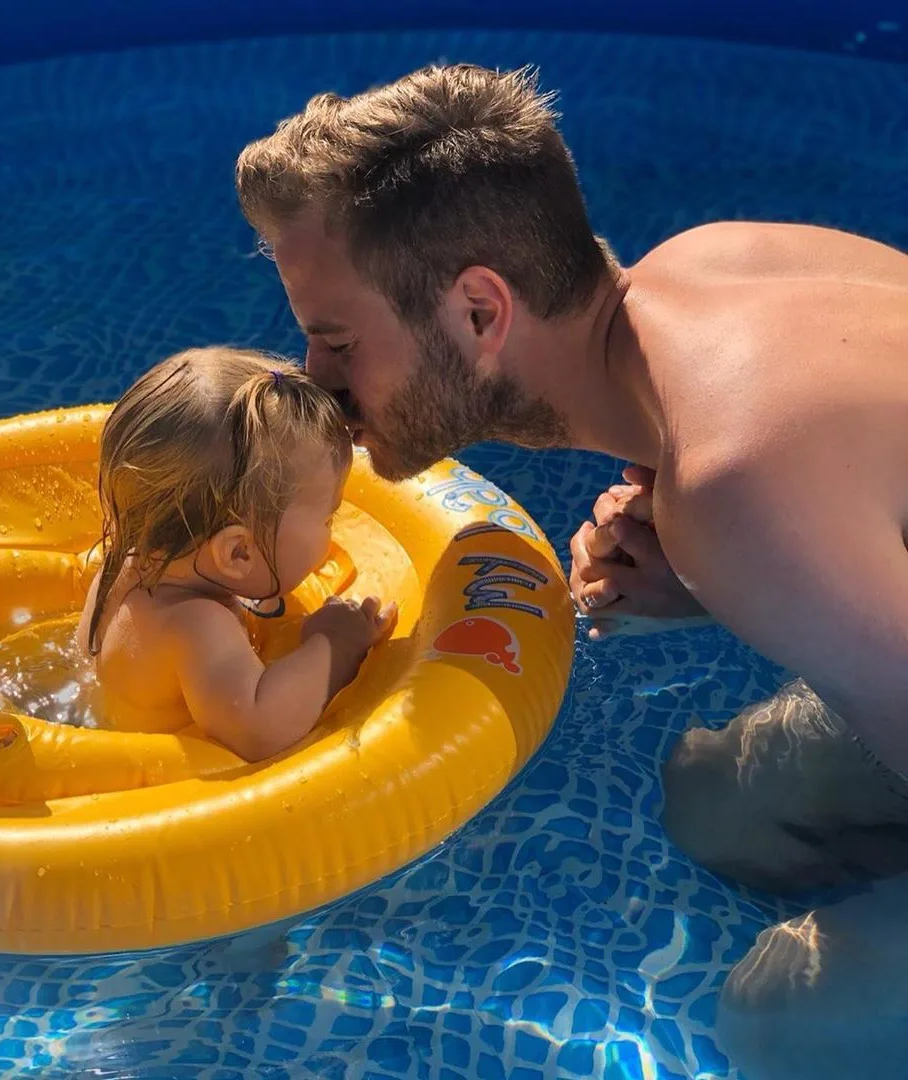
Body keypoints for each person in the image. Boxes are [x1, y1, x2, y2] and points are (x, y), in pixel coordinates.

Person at [234, 63, 908, 1078]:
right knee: (720, 804)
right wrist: (715, 574)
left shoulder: (733, 483)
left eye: (336, 341)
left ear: (476, 312)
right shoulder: (715, 264)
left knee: (783, 1019)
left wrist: (741, 548)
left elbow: (768, 489)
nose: (314, 385)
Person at [77, 347, 396, 762]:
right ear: (239, 552)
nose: (331, 530)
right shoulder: (198, 625)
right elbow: (261, 729)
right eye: (328, 517)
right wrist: (336, 642)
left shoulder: (123, 563)